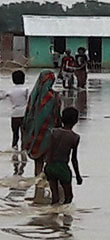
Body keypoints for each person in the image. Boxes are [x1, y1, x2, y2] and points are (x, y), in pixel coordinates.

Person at [21, 70, 62, 203]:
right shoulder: (54, 97)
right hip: (49, 133)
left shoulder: (34, 96)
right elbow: (57, 116)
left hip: (34, 134)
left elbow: (27, 116)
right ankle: (52, 192)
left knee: (37, 162)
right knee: (51, 161)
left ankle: (38, 192)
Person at [44, 107, 82, 205]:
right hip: (63, 167)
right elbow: (74, 159)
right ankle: (66, 217)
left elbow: (49, 150)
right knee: (68, 197)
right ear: (76, 121)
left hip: (50, 166)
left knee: (55, 197)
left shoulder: (53, 132)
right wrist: (78, 175)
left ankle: (52, 216)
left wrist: (47, 165)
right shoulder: (75, 137)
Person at [1, 70, 29, 149]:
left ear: (13, 80)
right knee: (24, 134)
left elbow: (2, 97)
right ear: (23, 79)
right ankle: (24, 149)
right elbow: (30, 100)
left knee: (15, 134)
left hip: (14, 114)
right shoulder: (26, 90)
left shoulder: (10, 91)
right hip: (24, 114)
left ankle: (14, 148)